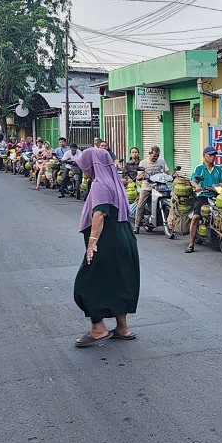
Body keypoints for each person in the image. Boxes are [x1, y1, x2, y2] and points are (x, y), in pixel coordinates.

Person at [73, 148, 139, 347]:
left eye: (85, 166)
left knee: (86, 283)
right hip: (125, 242)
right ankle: (122, 328)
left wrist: (92, 242)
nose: (84, 170)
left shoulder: (99, 185)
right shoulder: (116, 183)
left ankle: (98, 328)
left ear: (93, 166)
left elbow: (100, 214)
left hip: (107, 243)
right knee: (118, 282)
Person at [185, 146, 222, 253]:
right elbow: (193, 180)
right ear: (204, 156)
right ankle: (191, 244)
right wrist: (196, 186)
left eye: (214, 155)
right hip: (203, 196)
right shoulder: (199, 169)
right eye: (210, 155)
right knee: (196, 217)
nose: (212, 157)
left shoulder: (218, 169)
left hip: (216, 196)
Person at [134, 146, 172, 234]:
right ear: (150, 154)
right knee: (140, 206)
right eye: (154, 156)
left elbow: (168, 171)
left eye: (157, 156)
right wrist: (141, 176)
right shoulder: (143, 163)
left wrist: (172, 175)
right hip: (147, 187)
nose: (156, 158)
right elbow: (139, 175)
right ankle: (137, 226)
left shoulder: (161, 161)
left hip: (160, 186)